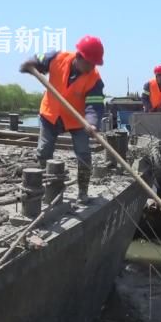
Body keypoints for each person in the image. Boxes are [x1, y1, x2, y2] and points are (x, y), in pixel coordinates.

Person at [19, 35, 105, 204]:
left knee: (83, 153)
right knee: (44, 151)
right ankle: (43, 189)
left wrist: (92, 123)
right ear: (79, 57)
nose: (91, 67)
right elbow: (38, 61)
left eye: (94, 64)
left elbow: (94, 105)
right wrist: (30, 65)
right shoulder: (57, 58)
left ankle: (82, 192)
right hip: (50, 113)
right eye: (89, 63)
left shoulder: (94, 79)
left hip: (77, 119)